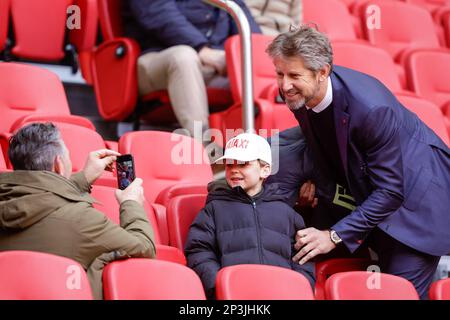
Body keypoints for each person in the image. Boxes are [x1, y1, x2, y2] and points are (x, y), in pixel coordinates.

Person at [265, 25, 450, 298]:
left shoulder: (372, 109)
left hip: (417, 208)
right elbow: (328, 145)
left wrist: (333, 235)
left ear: (322, 73)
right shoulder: (301, 93)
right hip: (367, 195)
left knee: (395, 294)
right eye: (280, 74)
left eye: (294, 75)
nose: (284, 85)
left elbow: (390, 191)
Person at [0, 123, 156, 299]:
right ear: (58, 164)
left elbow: (37, 196)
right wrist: (131, 203)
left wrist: (83, 178)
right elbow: (144, 248)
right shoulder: (82, 220)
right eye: (67, 156)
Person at [184, 133, 315, 299]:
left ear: (265, 170)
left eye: (243, 164)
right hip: (233, 296)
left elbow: (303, 256)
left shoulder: (286, 212)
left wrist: (298, 288)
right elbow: (199, 251)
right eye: (229, 164)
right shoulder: (214, 209)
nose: (234, 170)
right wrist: (218, 285)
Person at [122, 0, 261, 138]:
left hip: (214, 65)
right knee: (183, 57)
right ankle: (206, 150)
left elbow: (250, 33)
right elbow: (157, 11)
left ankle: (261, 150)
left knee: (256, 71)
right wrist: (201, 49)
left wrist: (240, 57)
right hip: (155, 59)